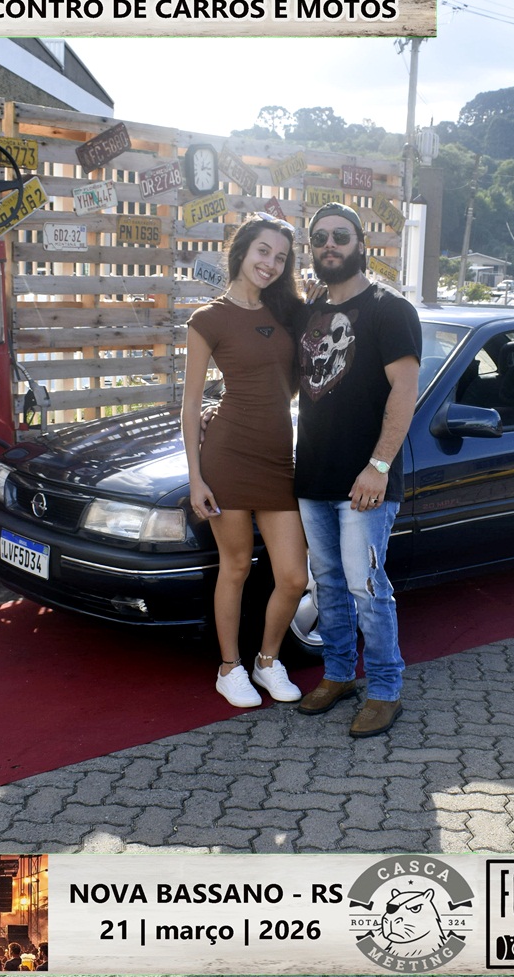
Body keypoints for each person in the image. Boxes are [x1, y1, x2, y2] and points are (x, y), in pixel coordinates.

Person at [293, 203, 421, 738]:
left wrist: (379, 466)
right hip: (313, 476)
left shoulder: (390, 310)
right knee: (327, 585)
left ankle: (386, 690)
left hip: (365, 482)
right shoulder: (309, 313)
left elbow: (405, 391)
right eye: (320, 237)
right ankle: (340, 674)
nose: (330, 245)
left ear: (360, 244)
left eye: (340, 236)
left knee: (367, 586)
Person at [182, 214, 310, 708]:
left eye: (280, 257)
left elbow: (290, 385)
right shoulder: (208, 319)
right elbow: (190, 404)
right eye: (263, 251)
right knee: (235, 566)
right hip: (228, 455)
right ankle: (229, 668)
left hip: (278, 457)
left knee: (293, 577)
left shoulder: (287, 313)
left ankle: (268, 662)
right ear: (242, 251)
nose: (271, 264)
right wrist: (196, 478)